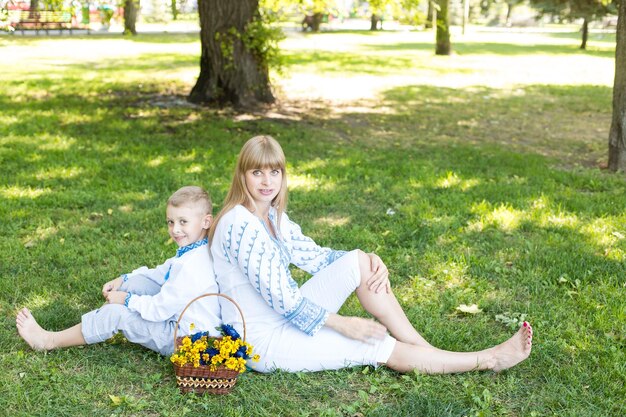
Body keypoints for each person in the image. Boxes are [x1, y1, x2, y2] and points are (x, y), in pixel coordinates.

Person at [209, 135, 533, 374]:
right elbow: (283, 300)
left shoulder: (271, 216)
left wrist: (368, 259)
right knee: (377, 346)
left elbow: (316, 257)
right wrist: (343, 324)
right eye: (257, 173)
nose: (267, 182)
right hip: (263, 342)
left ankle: (426, 350)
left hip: (284, 319)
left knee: (358, 263)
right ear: (242, 175)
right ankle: (488, 359)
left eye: (274, 172)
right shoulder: (239, 224)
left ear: (283, 175)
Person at [16, 186, 221, 356]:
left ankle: (48, 340)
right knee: (135, 282)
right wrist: (124, 279)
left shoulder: (192, 267)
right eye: (171, 221)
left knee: (116, 314)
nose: (175, 229)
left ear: (206, 222)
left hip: (185, 340)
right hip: (181, 321)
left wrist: (126, 300)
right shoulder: (193, 251)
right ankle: (96, 323)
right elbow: (160, 274)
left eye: (183, 222)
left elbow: (159, 310)